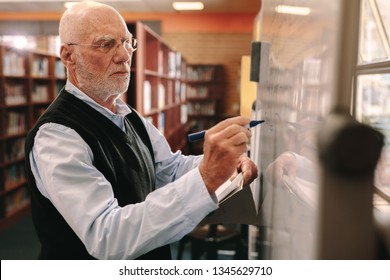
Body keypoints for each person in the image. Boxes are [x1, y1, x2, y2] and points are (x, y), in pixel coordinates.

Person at [24, 1, 258, 260]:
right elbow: (107, 237)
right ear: (68, 56)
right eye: (105, 44)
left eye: (127, 42)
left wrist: (223, 163)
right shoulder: (57, 135)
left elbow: (169, 169)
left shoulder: (127, 115)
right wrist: (205, 177)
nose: (124, 55)